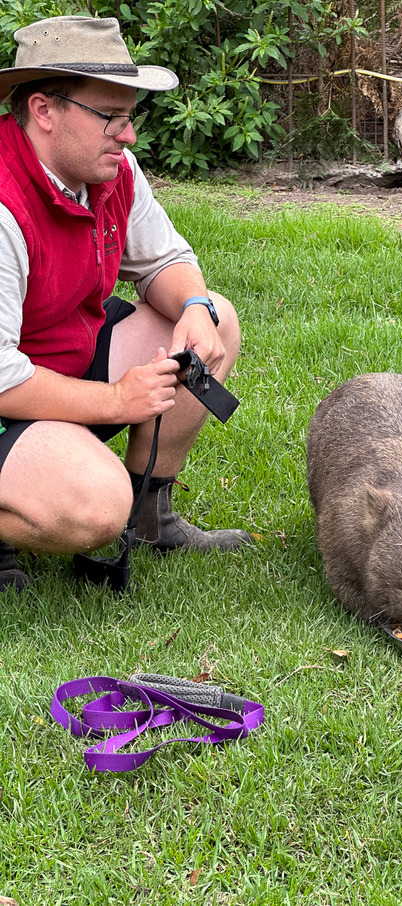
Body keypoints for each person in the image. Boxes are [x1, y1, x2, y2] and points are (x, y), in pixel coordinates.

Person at [0, 15, 252, 592]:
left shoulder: (109, 168)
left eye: (129, 116)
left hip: (52, 365)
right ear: (44, 110)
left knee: (217, 315)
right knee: (95, 503)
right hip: (8, 387)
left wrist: (192, 305)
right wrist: (115, 399)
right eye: (110, 117)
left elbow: (165, 259)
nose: (129, 135)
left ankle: (148, 516)